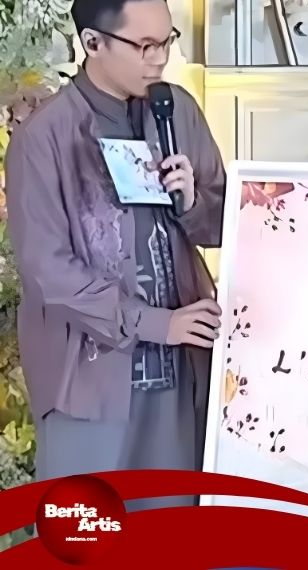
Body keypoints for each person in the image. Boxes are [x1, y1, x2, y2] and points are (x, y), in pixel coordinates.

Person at [4, 0, 225, 509]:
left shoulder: (178, 112)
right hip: (88, 384)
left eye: (166, 42)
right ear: (93, 43)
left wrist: (193, 202)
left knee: (174, 531)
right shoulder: (44, 139)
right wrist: (156, 324)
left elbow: (224, 223)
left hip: (181, 375)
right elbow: (48, 272)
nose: (159, 59)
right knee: (88, 532)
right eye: (145, 46)